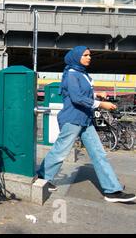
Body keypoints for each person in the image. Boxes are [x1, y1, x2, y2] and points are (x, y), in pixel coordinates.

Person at [38, 46, 136, 203]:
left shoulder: (81, 73)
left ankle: (112, 190)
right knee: (60, 151)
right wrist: (101, 104)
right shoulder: (71, 74)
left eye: (89, 55)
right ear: (76, 57)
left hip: (85, 119)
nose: (89, 57)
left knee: (99, 154)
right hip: (73, 119)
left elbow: (82, 93)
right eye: (85, 55)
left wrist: (97, 94)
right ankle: (43, 177)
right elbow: (76, 98)